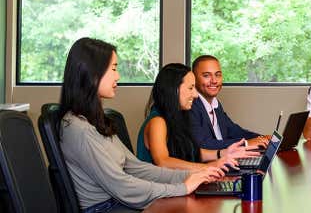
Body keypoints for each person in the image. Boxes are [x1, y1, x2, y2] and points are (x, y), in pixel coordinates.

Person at [57, 38, 222, 212]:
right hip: (106, 208)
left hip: (117, 203)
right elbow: (122, 186)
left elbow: (135, 167)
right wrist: (183, 187)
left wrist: (190, 175)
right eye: (113, 68)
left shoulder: (95, 120)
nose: (118, 75)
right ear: (92, 73)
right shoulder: (79, 129)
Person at [137, 63, 259, 171]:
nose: (195, 95)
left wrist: (223, 153)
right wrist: (210, 167)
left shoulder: (177, 117)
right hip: (159, 192)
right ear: (173, 90)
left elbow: (190, 151)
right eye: (190, 88)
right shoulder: (157, 122)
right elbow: (163, 162)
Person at [189, 55, 269, 149]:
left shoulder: (215, 104)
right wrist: (246, 144)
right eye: (206, 75)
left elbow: (234, 131)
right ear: (193, 78)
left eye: (217, 75)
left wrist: (262, 138)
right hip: (212, 161)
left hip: (226, 158)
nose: (214, 81)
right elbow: (202, 144)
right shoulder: (190, 106)